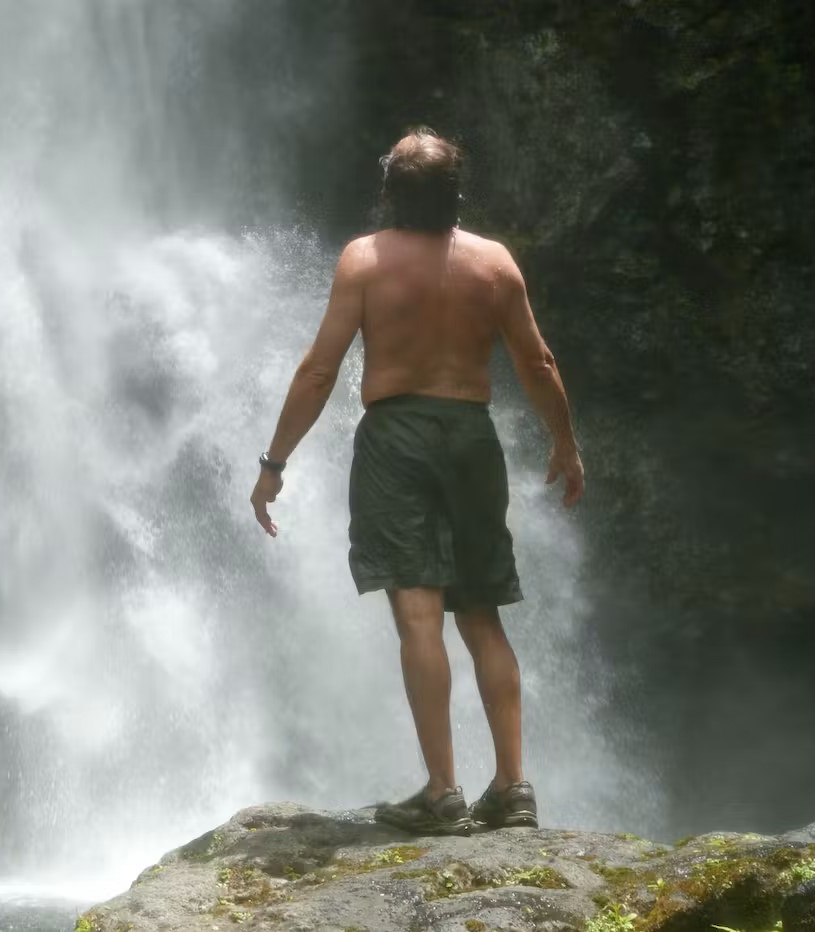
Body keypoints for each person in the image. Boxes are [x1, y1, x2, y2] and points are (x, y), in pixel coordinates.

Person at [249, 128, 584, 836]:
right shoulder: (494, 263)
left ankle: (441, 791)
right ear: (455, 192)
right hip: (471, 437)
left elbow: (319, 370)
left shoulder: (365, 260)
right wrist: (564, 441)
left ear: (390, 192)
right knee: (482, 612)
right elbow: (539, 364)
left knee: (420, 615)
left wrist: (274, 463)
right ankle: (513, 786)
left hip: (396, 438)